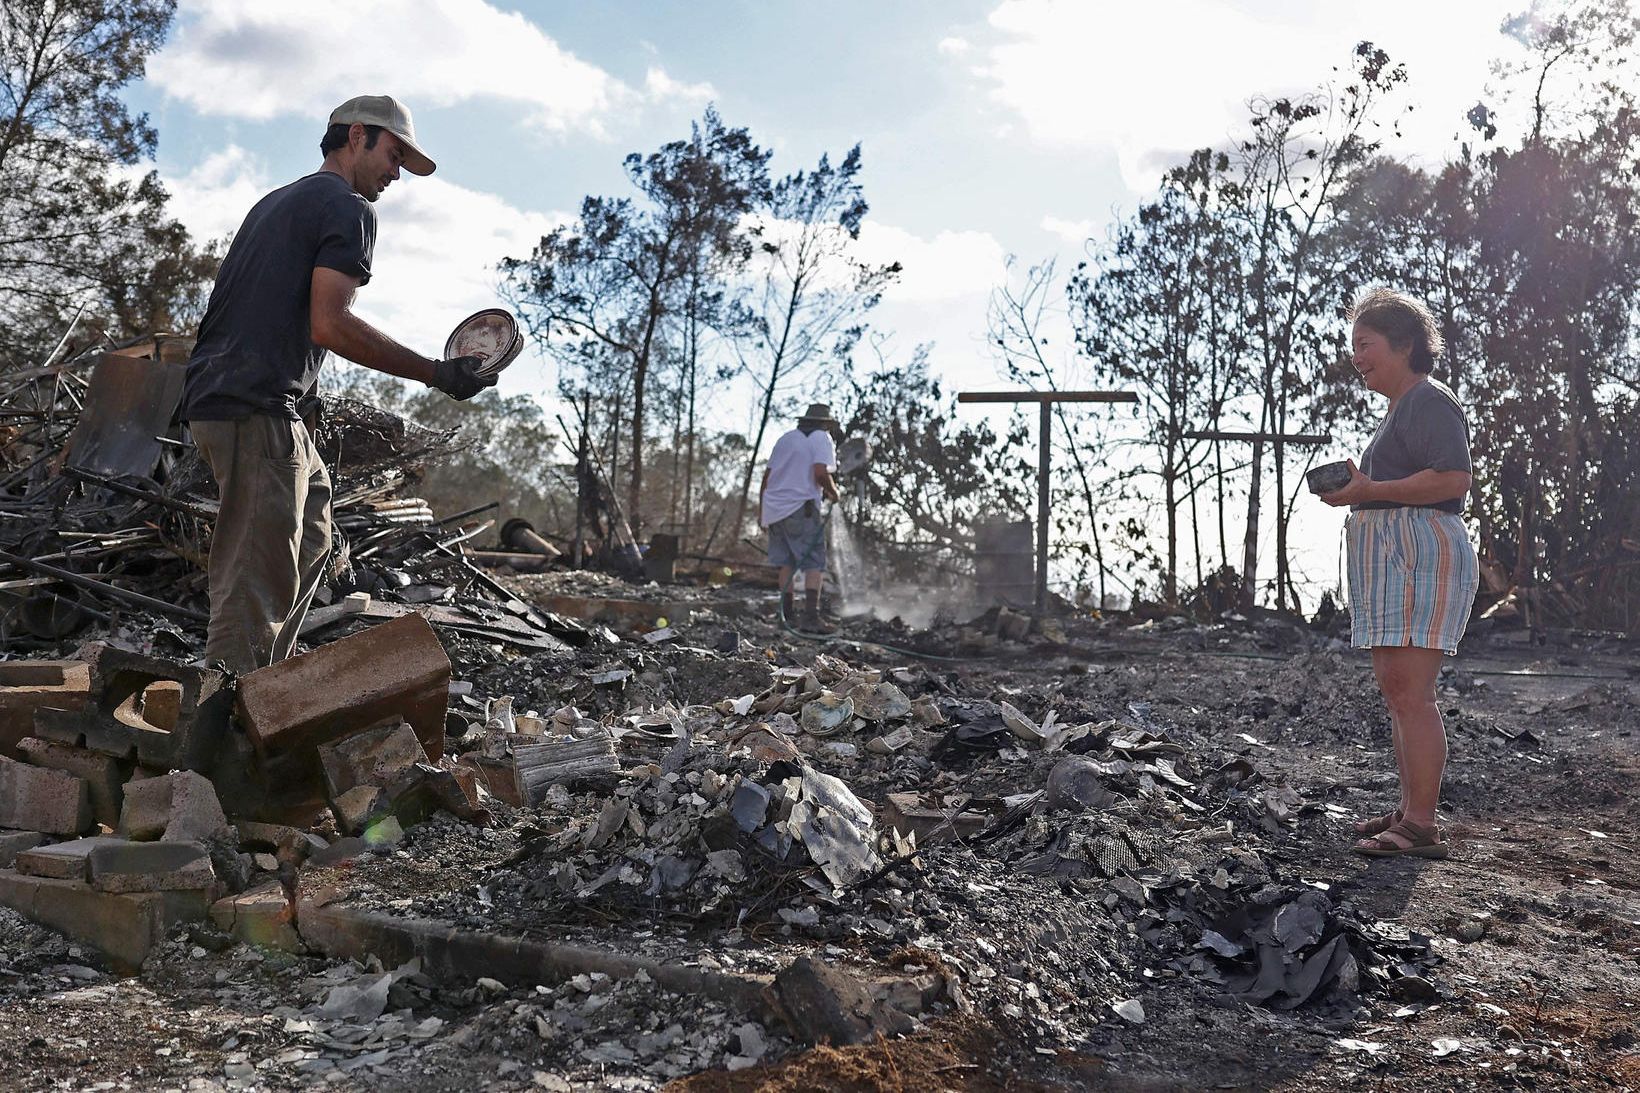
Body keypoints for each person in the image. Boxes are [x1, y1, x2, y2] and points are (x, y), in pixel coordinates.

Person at [179, 94, 496, 675]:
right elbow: (330, 322)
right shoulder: (348, 207)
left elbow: (259, 311)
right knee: (254, 580)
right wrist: (436, 373)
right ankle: (222, 727)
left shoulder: (275, 203)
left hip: (244, 402)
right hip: (253, 408)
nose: (396, 173)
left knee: (312, 533)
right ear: (357, 137)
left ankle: (270, 683)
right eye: (393, 154)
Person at [1319, 287, 1479, 859]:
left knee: (1413, 693)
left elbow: (1453, 479)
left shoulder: (1428, 401)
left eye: (1365, 344)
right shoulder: (1400, 409)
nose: (1356, 357)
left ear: (1404, 344)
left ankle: (1420, 826)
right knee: (1398, 692)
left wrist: (1370, 490)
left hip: (1419, 554)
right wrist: (1358, 496)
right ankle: (1410, 808)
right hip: (1395, 556)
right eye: (1353, 347)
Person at [759, 403, 842, 632]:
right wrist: (834, 493)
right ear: (824, 423)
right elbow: (819, 472)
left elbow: (767, 478)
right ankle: (811, 618)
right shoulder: (821, 438)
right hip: (800, 508)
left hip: (775, 508)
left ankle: (786, 616)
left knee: (786, 562)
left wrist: (762, 513)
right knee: (814, 561)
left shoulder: (785, 438)